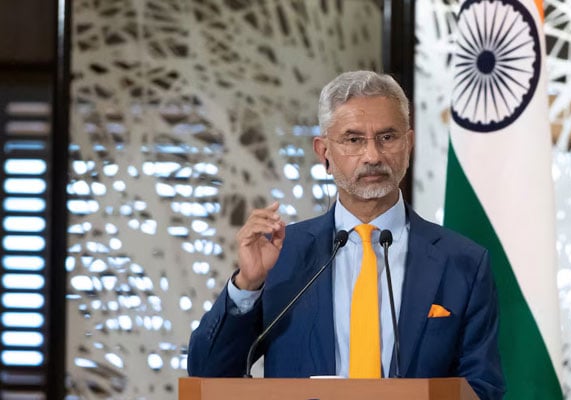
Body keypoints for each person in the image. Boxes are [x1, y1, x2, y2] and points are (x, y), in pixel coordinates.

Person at [187, 71, 505, 399]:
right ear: (324, 152)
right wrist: (247, 285)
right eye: (354, 140)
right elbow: (208, 373)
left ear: (408, 144)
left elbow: (483, 387)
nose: (372, 156)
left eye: (387, 137)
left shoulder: (463, 262)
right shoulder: (283, 254)